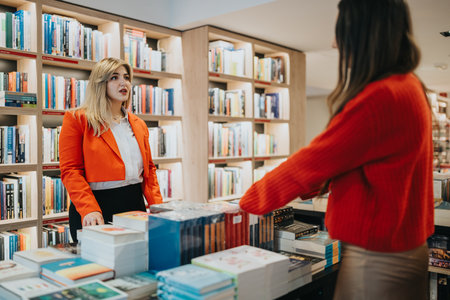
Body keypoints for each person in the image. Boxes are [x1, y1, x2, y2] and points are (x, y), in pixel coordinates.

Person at [239, 0, 433, 299]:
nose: (334, 42)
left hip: (377, 262)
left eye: (341, 31)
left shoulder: (380, 98)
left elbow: (308, 164)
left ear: (364, 34)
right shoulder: (409, 86)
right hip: (403, 252)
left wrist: (243, 206)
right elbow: (350, 160)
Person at [59, 57, 163, 243]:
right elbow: (71, 171)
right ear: (100, 83)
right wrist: (89, 208)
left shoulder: (138, 124)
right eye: (114, 77)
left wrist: (159, 208)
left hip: (134, 205)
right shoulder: (77, 119)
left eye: (126, 77)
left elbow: (149, 170)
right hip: (95, 207)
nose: (124, 83)